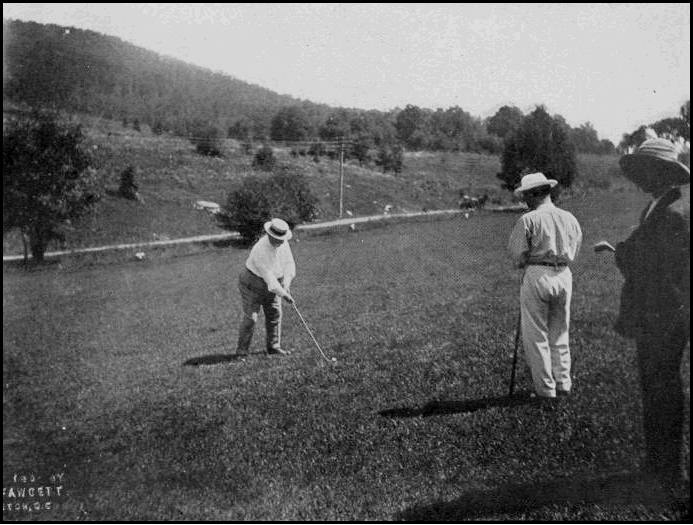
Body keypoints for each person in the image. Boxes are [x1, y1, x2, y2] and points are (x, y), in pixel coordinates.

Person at [609, 138, 690, 490]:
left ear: (661, 173)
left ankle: (667, 468)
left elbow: (653, 265)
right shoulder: (662, 206)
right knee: (656, 387)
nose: (638, 178)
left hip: (663, 314)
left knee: (662, 388)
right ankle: (659, 463)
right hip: (661, 312)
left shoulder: (670, 212)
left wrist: (623, 253)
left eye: (644, 170)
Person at [508, 172, 583, 400]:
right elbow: (576, 247)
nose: (525, 201)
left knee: (537, 336)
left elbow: (517, 255)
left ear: (534, 194)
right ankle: (563, 383)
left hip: (538, 273)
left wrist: (526, 262)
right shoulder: (570, 217)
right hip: (564, 275)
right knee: (560, 332)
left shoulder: (528, 219)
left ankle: (546, 391)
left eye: (526, 195)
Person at [236, 218, 296, 356]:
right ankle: (241, 351)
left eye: (282, 238)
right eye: (277, 238)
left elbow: (289, 264)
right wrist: (284, 294)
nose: (281, 241)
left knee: (275, 314)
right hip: (252, 283)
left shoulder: (283, 243)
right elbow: (270, 280)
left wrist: (287, 283)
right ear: (269, 235)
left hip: (274, 283)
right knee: (251, 317)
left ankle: (273, 346)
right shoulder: (260, 249)